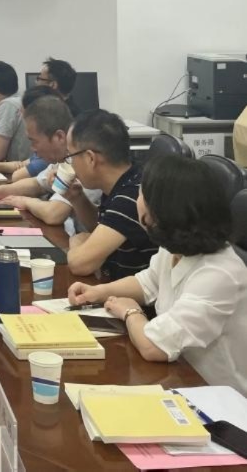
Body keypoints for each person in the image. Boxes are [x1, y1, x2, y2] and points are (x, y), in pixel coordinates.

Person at [69, 156, 247, 394]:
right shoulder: (176, 246)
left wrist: (131, 312)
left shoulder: (220, 273)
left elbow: (154, 347)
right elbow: (147, 283)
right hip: (180, 376)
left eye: (141, 194)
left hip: (218, 398)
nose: (137, 200)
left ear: (162, 210)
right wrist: (98, 292)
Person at [0, 96, 101, 229]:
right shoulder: (63, 158)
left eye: (34, 141)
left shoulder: (83, 162)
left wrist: (25, 201)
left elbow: (53, 214)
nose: (33, 149)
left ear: (59, 137)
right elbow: (37, 184)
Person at [56, 110, 157, 279]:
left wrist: (76, 241)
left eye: (70, 156)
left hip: (131, 295)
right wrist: (77, 197)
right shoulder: (126, 178)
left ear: (90, 158)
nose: (70, 163)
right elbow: (103, 229)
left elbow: (80, 264)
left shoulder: (132, 196)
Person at [0, 86, 60, 181]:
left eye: (24, 115)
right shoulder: (45, 143)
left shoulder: (49, 152)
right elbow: (22, 165)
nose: (33, 147)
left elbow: (17, 175)